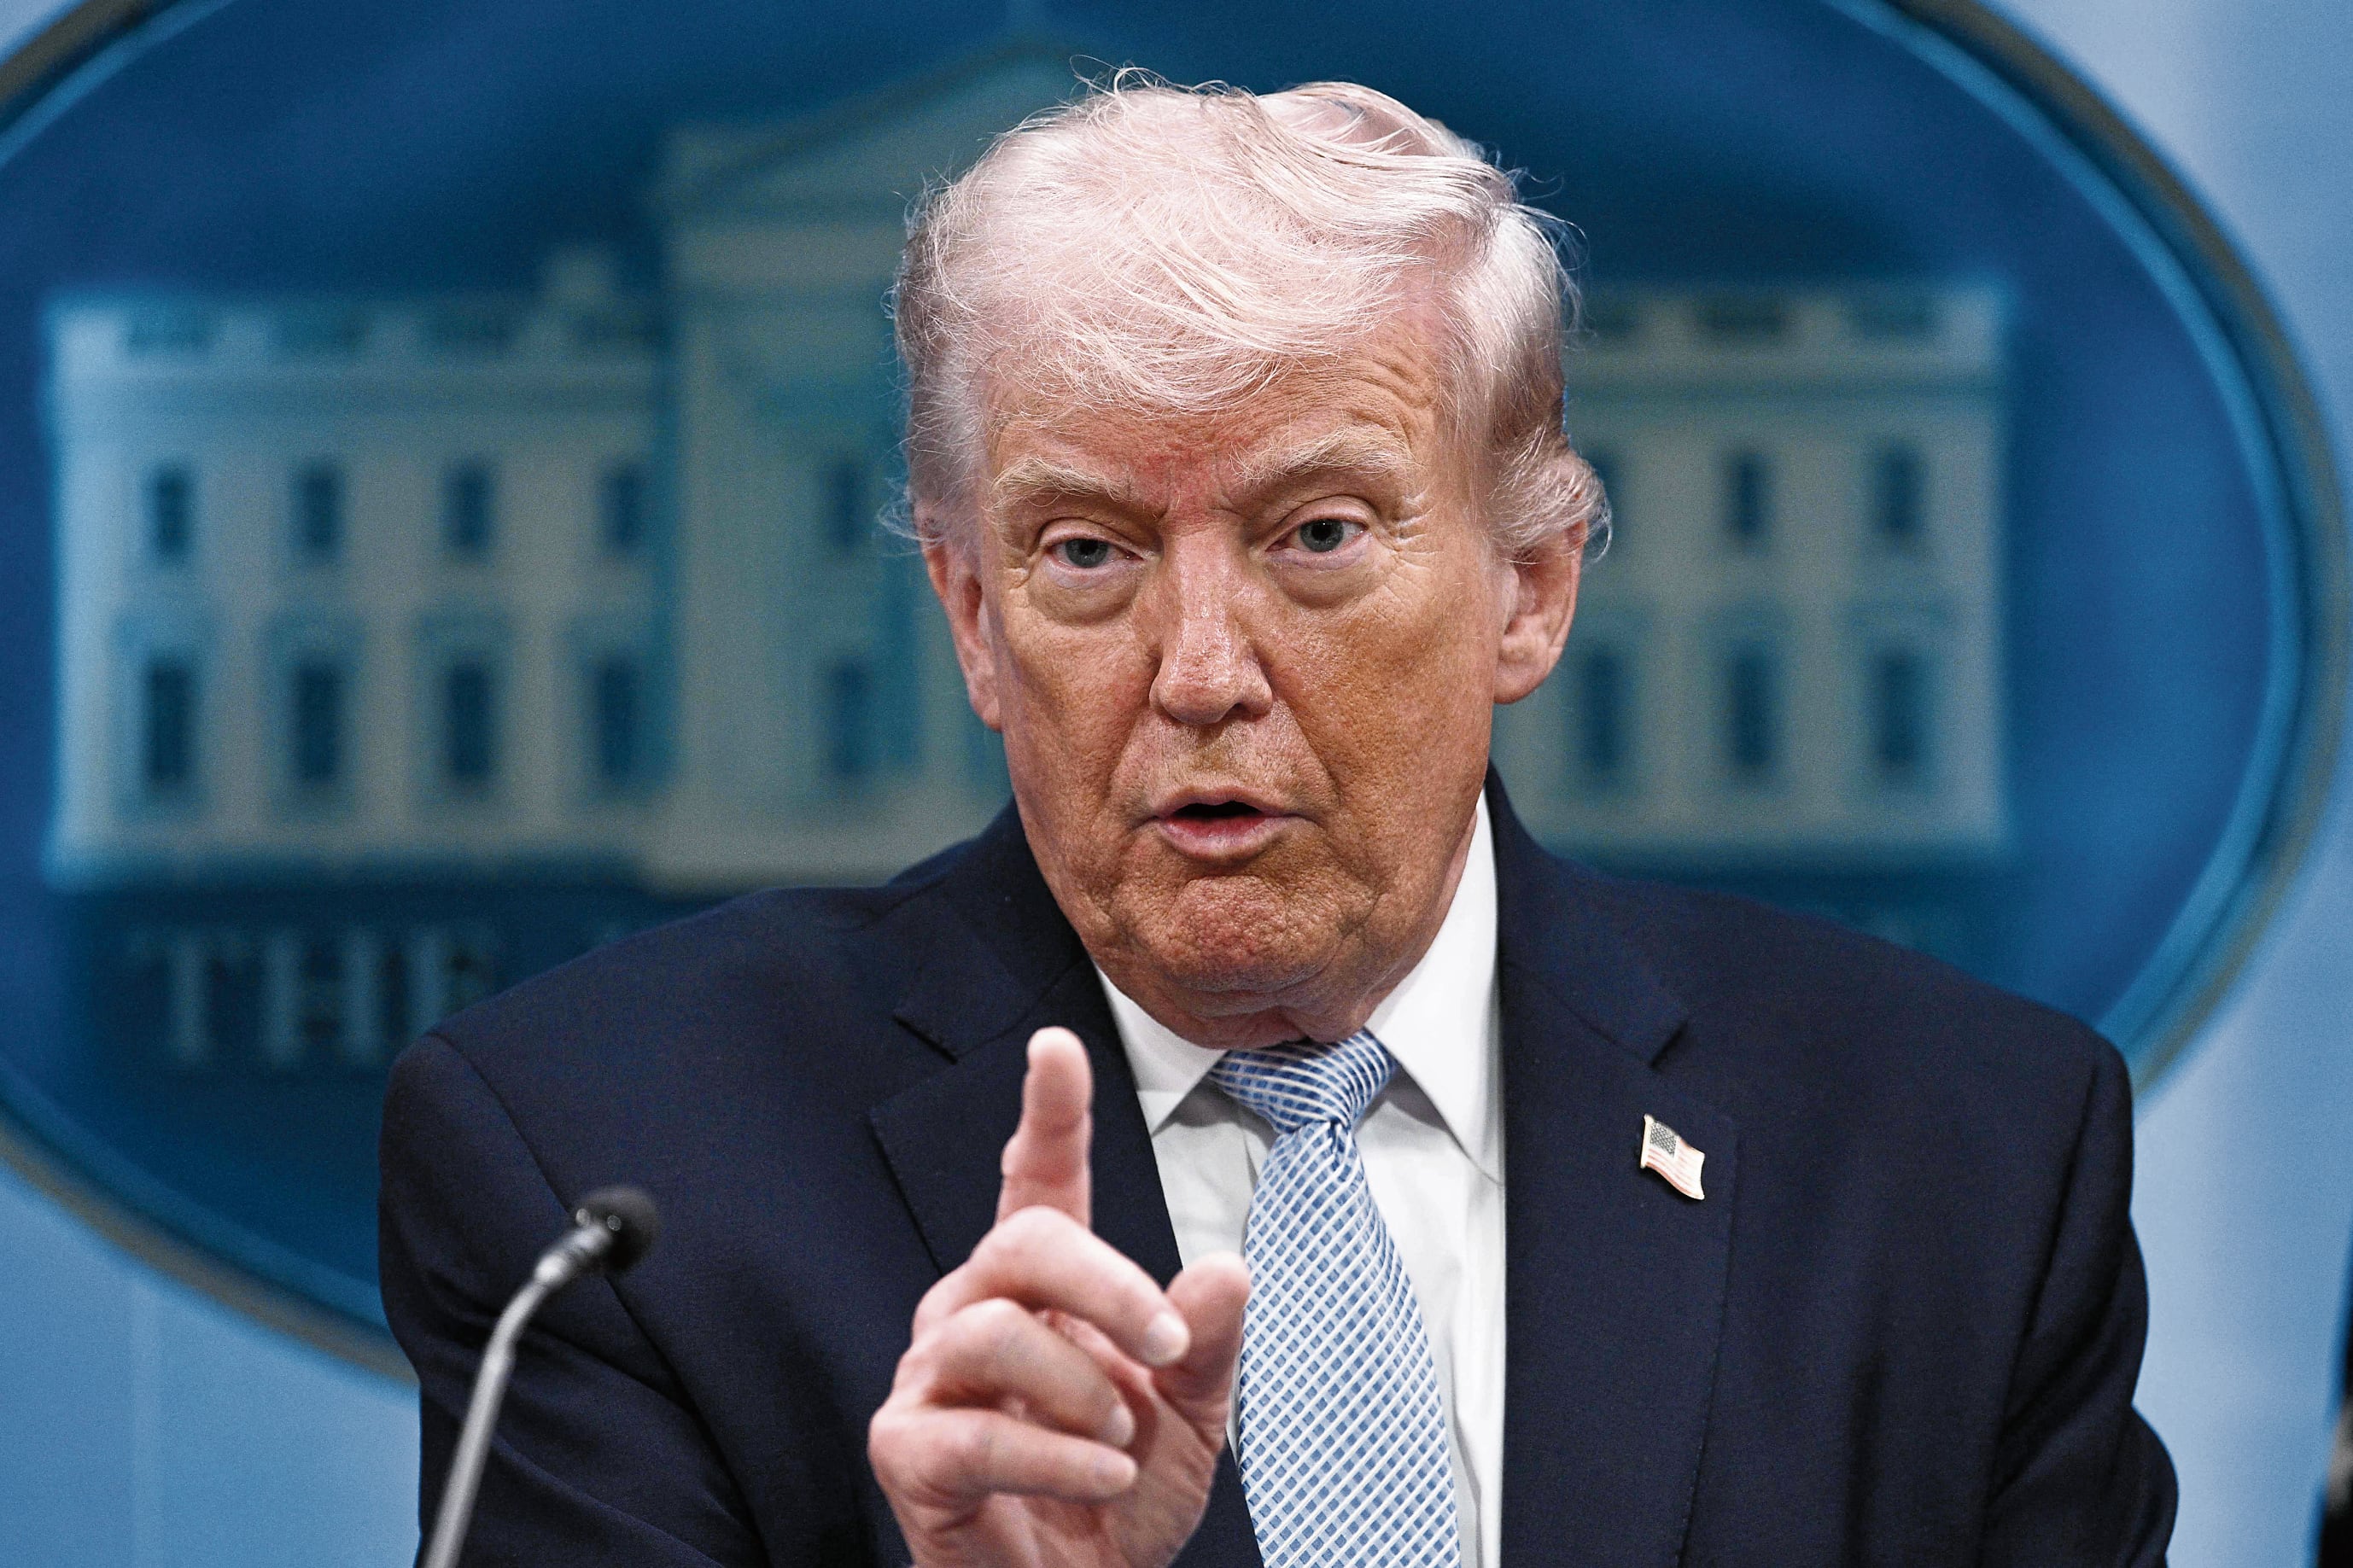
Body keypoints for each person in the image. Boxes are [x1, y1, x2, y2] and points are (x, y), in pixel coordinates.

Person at [379, 77, 2176, 1567]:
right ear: (973, 617)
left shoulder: (1960, 1165)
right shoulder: (609, 1181)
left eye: (1317, 534)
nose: (1200, 672)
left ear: (1532, 585)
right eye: (1089, 550)